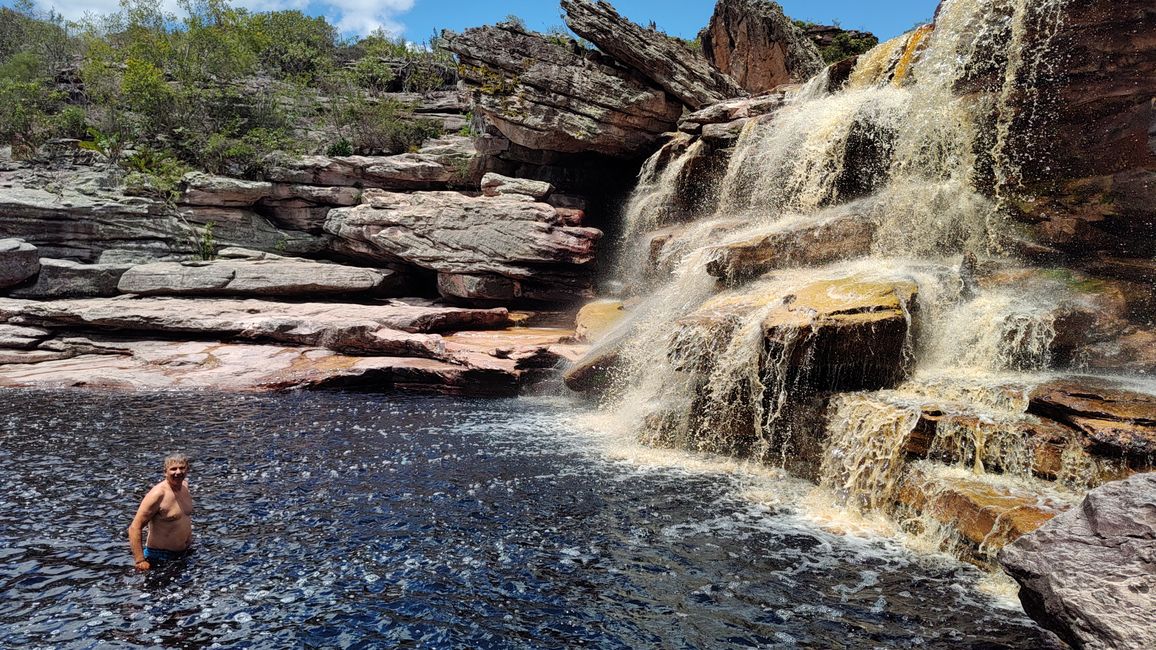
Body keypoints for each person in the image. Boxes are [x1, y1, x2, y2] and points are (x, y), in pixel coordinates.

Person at [128, 453, 194, 571]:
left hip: (184, 554)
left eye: (182, 468)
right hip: (160, 557)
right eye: (173, 469)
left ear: (187, 470)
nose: (178, 472)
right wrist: (140, 560)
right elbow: (134, 527)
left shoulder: (184, 486)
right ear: (165, 472)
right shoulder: (158, 494)